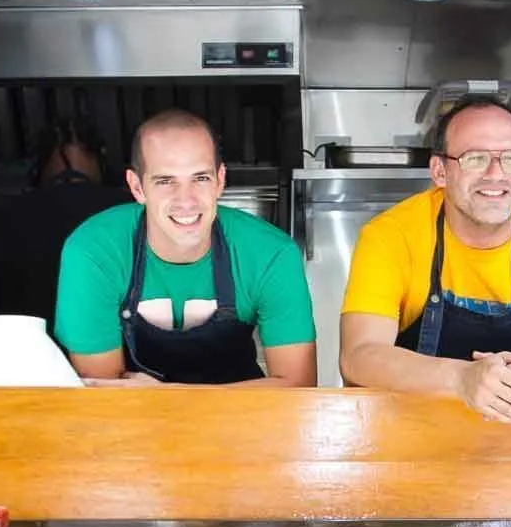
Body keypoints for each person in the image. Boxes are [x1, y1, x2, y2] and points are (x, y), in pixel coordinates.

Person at [338, 94, 511, 420]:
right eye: (475, 158)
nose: (495, 174)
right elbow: (359, 356)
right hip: (412, 442)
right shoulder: (391, 236)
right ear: (439, 171)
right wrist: (462, 379)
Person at [54, 109, 317, 386]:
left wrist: (166, 396)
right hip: (130, 424)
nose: (186, 200)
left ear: (220, 180)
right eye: (166, 181)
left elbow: (297, 390)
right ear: (137, 187)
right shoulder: (95, 251)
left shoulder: (270, 254)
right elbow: (103, 392)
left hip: (242, 422)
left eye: (200, 178)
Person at [0, 115, 129, 350]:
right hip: (127, 380)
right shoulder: (133, 213)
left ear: (37, 165)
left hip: (25, 379)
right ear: (102, 160)